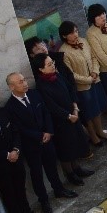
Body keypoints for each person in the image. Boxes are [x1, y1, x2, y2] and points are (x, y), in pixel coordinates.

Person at [0, 71, 79, 213]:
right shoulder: (10, 107)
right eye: (20, 82)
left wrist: (49, 131)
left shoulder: (34, 94)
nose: (25, 83)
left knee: (52, 167)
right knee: (37, 174)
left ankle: (59, 189)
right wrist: (39, 135)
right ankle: (44, 201)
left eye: (24, 80)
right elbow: (19, 128)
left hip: (47, 139)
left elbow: (46, 113)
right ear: (11, 87)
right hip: (31, 145)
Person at [29, 53, 93, 183]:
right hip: (60, 122)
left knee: (76, 143)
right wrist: (68, 116)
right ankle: (70, 174)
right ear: (41, 69)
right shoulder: (41, 85)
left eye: (52, 62)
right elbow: (51, 106)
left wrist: (75, 107)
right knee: (66, 149)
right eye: (49, 64)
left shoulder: (57, 75)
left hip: (73, 114)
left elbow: (70, 90)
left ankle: (77, 168)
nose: (53, 65)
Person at [59, 20, 107, 146]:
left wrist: (95, 71)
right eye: (71, 33)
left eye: (76, 31)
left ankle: (100, 130)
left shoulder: (83, 41)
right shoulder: (63, 52)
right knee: (88, 113)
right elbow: (70, 74)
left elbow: (93, 57)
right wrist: (88, 79)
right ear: (64, 36)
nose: (75, 34)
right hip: (82, 87)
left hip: (95, 80)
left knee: (97, 109)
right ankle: (93, 136)